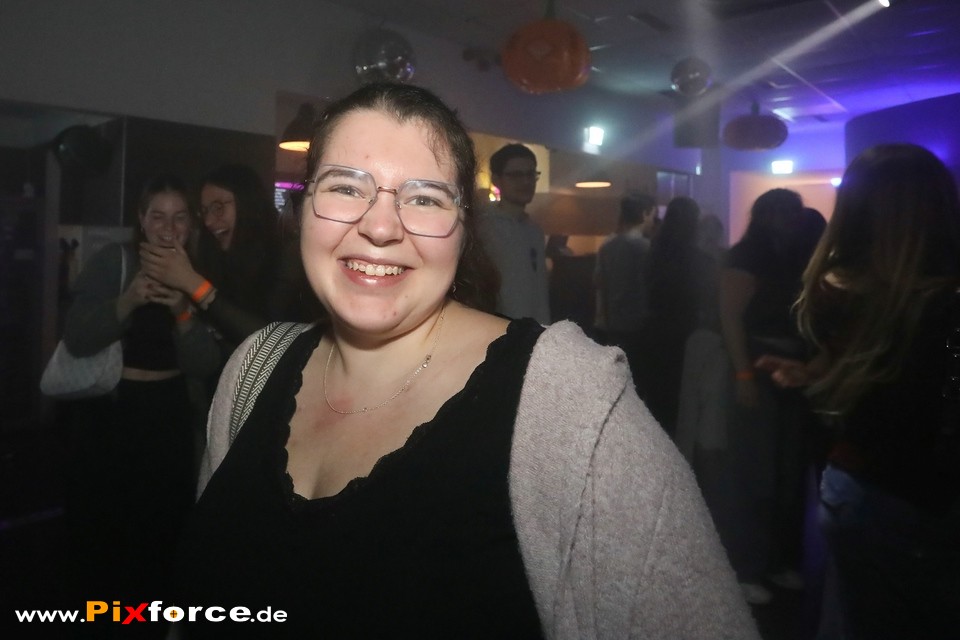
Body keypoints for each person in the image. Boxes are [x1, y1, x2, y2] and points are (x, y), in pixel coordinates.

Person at [173, 83, 759, 639]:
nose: (380, 226)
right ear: (302, 210)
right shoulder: (254, 368)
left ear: (463, 230)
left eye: (424, 198)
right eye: (345, 187)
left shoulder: (567, 402)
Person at [757, 144, 960, 639]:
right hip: (918, 494)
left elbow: (876, 371)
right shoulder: (942, 301)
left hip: (856, 486)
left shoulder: (838, 286)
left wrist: (813, 374)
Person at [61, 174, 220, 636]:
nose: (168, 229)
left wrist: (183, 311)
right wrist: (128, 300)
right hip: (111, 414)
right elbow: (77, 337)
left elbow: (206, 366)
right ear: (141, 220)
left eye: (179, 218)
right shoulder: (115, 261)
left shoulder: (199, 274)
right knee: (102, 531)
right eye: (158, 217)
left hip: (170, 415)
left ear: (191, 225)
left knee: (162, 532)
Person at [718, 189, 824, 605]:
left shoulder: (790, 255)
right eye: (785, 212)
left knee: (788, 472)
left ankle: (777, 561)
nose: (791, 219)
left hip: (792, 366)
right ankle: (747, 565)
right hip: (760, 364)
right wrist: (743, 371)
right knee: (756, 471)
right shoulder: (748, 256)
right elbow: (730, 317)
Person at [139, 163, 316, 362]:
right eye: (205, 211)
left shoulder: (289, 256)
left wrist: (192, 283)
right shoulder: (214, 257)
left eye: (218, 208)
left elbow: (272, 342)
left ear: (247, 203)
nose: (209, 221)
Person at [640, 196, 705, 436]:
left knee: (658, 402)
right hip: (687, 334)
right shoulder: (699, 260)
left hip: (655, 331)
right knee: (684, 402)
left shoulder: (654, 254)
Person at [478, 142, 550, 324]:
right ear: (496, 179)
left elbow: (539, 291)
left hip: (536, 329)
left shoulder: (534, 230)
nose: (526, 182)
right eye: (516, 175)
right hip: (497, 329)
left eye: (530, 174)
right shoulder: (483, 227)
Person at [594, 192, 657, 386]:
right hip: (639, 327)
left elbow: (599, 283)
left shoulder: (608, 247)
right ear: (645, 214)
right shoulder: (646, 248)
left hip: (612, 325)